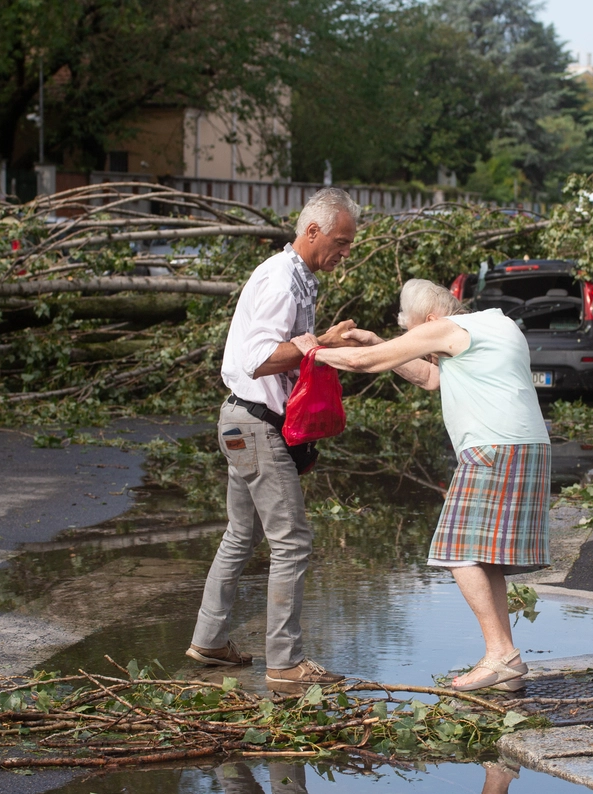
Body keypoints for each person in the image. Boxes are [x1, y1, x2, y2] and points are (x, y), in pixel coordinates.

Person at [313, 279, 551, 692]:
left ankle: (501, 655)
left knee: (456, 551)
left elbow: (363, 363)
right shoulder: (495, 324)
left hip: (493, 448)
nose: (413, 340)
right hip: (526, 447)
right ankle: (504, 658)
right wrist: (379, 338)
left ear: (429, 319)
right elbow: (430, 378)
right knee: (480, 555)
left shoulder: (444, 328)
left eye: (412, 333)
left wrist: (311, 351)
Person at [185, 188, 362, 687]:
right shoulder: (283, 280)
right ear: (312, 232)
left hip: (241, 421)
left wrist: (319, 341)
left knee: (241, 534)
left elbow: (285, 349)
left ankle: (208, 639)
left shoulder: (298, 277)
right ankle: (285, 663)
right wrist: (323, 343)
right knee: (292, 542)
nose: (345, 252)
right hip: (255, 424)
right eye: (341, 241)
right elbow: (259, 359)